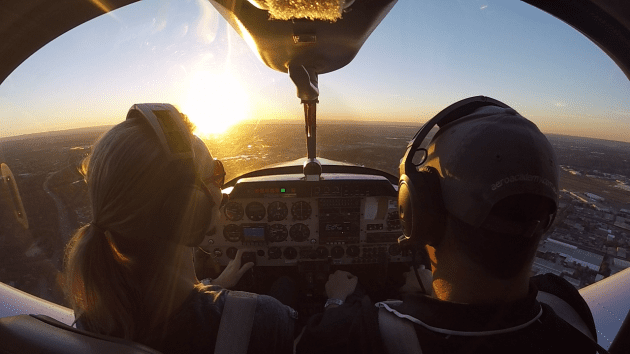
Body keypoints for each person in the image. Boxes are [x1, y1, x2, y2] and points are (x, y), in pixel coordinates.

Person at [296, 96, 600, 354]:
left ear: (419, 214)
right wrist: (432, 288)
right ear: (546, 218)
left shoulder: (346, 336)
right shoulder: (567, 305)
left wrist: (336, 299)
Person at [63, 103, 296, 353]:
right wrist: (338, 302)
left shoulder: (92, 319)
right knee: (286, 287)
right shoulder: (263, 320)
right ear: (186, 206)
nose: (221, 188)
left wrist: (214, 284)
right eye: (216, 174)